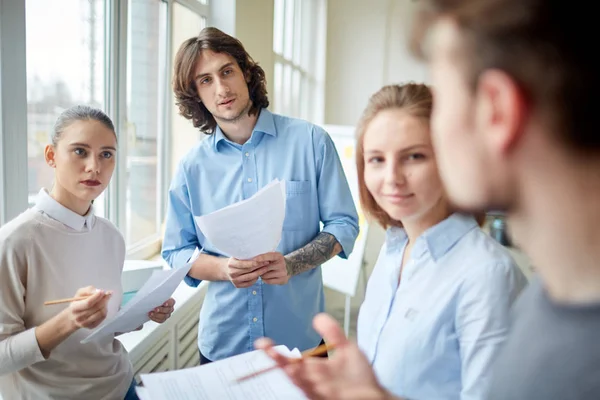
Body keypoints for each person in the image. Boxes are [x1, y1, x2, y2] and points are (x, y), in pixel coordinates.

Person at [259, 0, 600, 399]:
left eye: (445, 101)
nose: (393, 177)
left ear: (496, 109)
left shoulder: (507, 288)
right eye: (377, 160)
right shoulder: (549, 303)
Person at [257, 83, 526, 399]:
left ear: (450, 159)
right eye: (376, 160)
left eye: (414, 156)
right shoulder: (393, 250)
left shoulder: (488, 274)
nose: (392, 178)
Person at [162, 27, 359, 364]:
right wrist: (224, 269)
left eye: (227, 72)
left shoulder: (311, 141)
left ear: (247, 73)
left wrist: (292, 265)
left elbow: (343, 224)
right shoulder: (191, 168)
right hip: (224, 346)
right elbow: (176, 252)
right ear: (196, 95)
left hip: (301, 344)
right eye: (205, 80)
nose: (222, 88)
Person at [0, 105, 175, 400]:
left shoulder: (111, 237)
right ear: (51, 156)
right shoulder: (15, 242)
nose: (95, 166)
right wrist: (69, 321)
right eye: (80, 151)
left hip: (121, 387)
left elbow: (100, 333)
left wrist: (143, 313)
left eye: (106, 154)